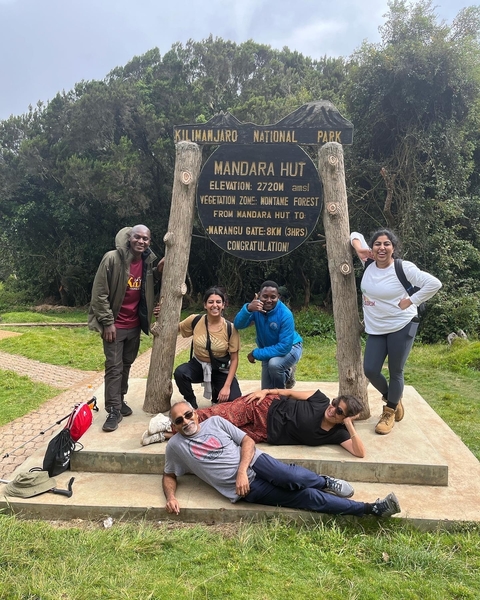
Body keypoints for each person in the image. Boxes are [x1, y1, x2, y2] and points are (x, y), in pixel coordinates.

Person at [163, 401, 401, 518]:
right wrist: (171, 496)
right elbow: (169, 474)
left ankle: (324, 481)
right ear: (174, 425)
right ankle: (371, 509)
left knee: (291, 476)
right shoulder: (175, 446)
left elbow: (247, 441)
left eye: (187, 415)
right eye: (178, 421)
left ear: (195, 412)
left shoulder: (214, 422)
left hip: (254, 462)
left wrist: (242, 470)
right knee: (305, 498)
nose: (185, 422)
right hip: (244, 490)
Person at [351, 229, 442, 435]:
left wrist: (411, 300)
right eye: (377, 244)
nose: (382, 248)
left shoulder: (403, 268)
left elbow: (434, 283)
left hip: (402, 325)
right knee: (371, 370)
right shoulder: (368, 264)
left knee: (395, 371)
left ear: (393, 248)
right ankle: (392, 398)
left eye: (387, 244)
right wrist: (360, 248)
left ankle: (389, 411)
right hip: (375, 328)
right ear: (372, 248)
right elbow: (354, 234)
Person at [88, 225, 163, 432]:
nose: (141, 241)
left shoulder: (147, 263)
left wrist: (158, 271)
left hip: (134, 325)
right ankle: (113, 410)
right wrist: (107, 322)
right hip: (114, 325)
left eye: (146, 238)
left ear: (149, 241)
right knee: (114, 367)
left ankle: (119, 400)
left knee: (127, 364)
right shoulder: (112, 258)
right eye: (137, 237)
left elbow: (145, 283)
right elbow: (99, 293)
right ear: (129, 238)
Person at [194, 388, 365, 457]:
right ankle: (172, 424)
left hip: (264, 433)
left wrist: (349, 424)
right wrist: (266, 391)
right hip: (263, 407)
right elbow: (289, 393)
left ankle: (173, 433)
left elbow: (360, 453)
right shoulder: (321, 400)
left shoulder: (337, 434)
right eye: (335, 403)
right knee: (215, 415)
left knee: (217, 433)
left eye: (339, 411)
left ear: (345, 418)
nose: (332, 408)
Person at [174, 287, 242, 409]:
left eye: (218, 302)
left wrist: (226, 387)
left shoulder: (230, 328)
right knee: (180, 373)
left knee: (235, 402)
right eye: (210, 302)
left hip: (220, 369)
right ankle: (191, 402)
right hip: (198, 365)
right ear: (205, 305)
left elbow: (235, 359)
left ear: (223, 305)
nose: (214, 305)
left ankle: (218, 390)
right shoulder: (195, 320)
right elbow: (175, 328)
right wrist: (160, 316)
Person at [234, 280, 302, 390]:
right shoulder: (256, 309)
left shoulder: (285, 314)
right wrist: (248, 309)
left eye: (273, 297)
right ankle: (281, 380)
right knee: (265, 391)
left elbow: (284, 347)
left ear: (278, 297)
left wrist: (255, 353)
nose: (269, 300)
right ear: (259, 295)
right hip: (270, 350)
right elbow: (238, 324)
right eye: (265, 296)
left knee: (274, 365)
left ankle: (282, 390)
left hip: (291, 348)